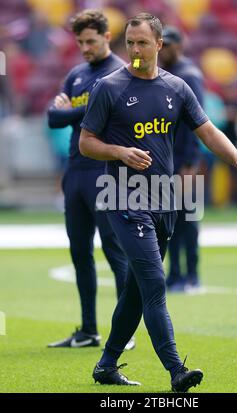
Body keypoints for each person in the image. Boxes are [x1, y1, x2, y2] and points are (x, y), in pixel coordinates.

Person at [79, 13, 237, 391]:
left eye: (143, 43)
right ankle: (176, 370)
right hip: (123, 198)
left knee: (135, 290)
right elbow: (86, 142)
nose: (135, 50)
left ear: (159, 45)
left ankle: (106, 365)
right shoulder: (109, 87)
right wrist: (119, 152)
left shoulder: (177, 87)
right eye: (130, 43)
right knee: (154, 283)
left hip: (165, 199)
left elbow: (208, 131)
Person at [47, 9, 135, 351]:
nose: (84, 47)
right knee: (79, 252)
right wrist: (83, 110)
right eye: (80, 41)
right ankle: (87, 329)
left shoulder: (118, 72)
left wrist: (73, 111)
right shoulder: (77, 74)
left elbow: (110, 114)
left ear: (106, 36)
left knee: (115, 252)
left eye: (91, 40)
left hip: (105, 172)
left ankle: (123, 331)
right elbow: (54, 118)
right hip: (76, 173)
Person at [159, 26, 204, 292]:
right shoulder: (170, 74)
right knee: (169, 220)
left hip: (185, 161)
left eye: (165, 46)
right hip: (169, 160)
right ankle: (175, 274)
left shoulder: (189, 76)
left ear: (177, 46)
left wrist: (191, 164)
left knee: (188, 219)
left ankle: (193, 275)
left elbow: (197, 124)